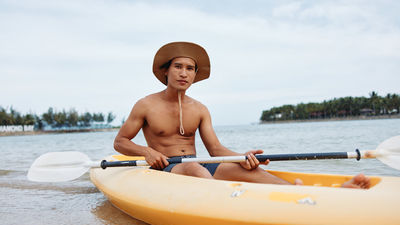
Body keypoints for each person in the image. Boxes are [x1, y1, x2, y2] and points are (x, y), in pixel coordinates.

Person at [114, 41, 370, 189]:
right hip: (168, 168)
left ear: (194, 75)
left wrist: (241, 157)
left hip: (201, 163)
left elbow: (214, 149)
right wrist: (146, 152)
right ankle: (226, 206)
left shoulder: (200, 109)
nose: (184, 73)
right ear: (166, 72)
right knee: (194, 168)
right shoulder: (145, 105)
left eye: (189, 68)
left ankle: (321, 195)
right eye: (178, 67)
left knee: (254, 174)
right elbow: (120, 142)